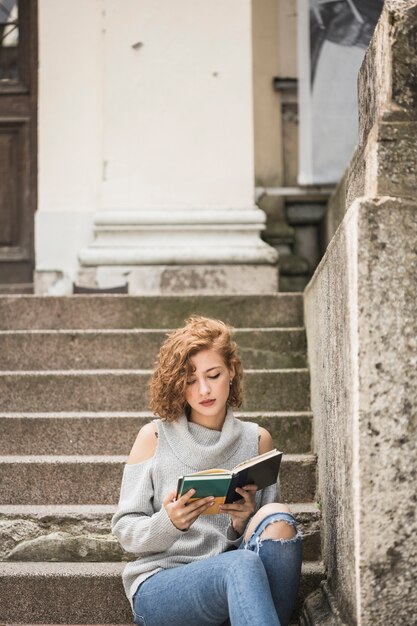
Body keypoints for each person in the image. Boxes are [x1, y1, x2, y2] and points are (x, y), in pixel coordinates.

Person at [112, 316, 302, 626]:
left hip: (239, 588)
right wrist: (169, 522)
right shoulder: (154, 437)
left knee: (279, 519)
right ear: (178, 385)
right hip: (162, 585)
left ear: (231, 372)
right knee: (239, 564)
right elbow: (125, 530)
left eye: (213, 375)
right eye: (189, 380)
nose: (203, 389)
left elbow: (264, 547)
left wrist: (241, 523)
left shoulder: (257, 439)